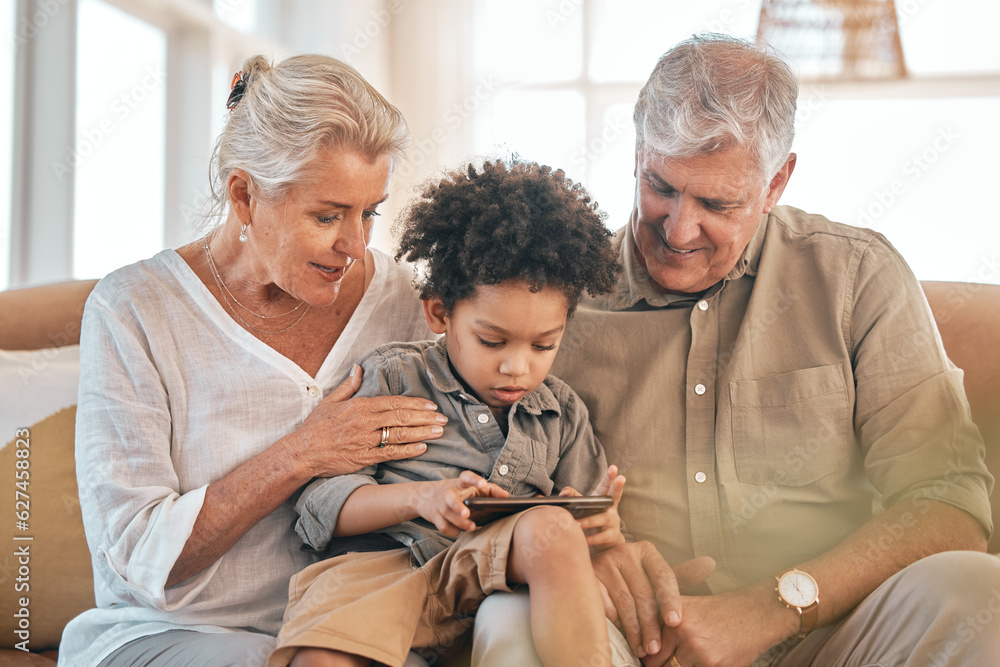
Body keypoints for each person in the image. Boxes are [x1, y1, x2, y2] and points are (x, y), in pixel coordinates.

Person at [472, 34, 999, 667]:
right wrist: (584, 551)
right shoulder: (555, 303)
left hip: (830, 630)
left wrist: (771, 608)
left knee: (974, 588)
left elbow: (950, 500)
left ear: (778, 180)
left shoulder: (858, 277)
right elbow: (474, 485)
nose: (678, 229)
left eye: (716, 203)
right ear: (638, 154)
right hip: (626, 639)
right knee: (509, 618)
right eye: (661, 187)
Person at [62, 55, 448, 667]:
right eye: (328, 216)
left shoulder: (403, 301)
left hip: (351, 629)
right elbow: (138, 555)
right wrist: (302, 453)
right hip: (169, 633)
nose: (356, 244)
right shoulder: (135, 309)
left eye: (369, 211)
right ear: (245, 196)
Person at [266, 159, 630, 667]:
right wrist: (421, 497)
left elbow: (579, 531)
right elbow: (321, 506)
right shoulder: (395, 377)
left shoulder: (560, 411)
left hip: (496, 580)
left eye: (544, 345)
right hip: (384, 573)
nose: (517, 367)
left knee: (554, 532)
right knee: (320, 657)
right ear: (439, 313)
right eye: (492, 340)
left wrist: (598, 524)